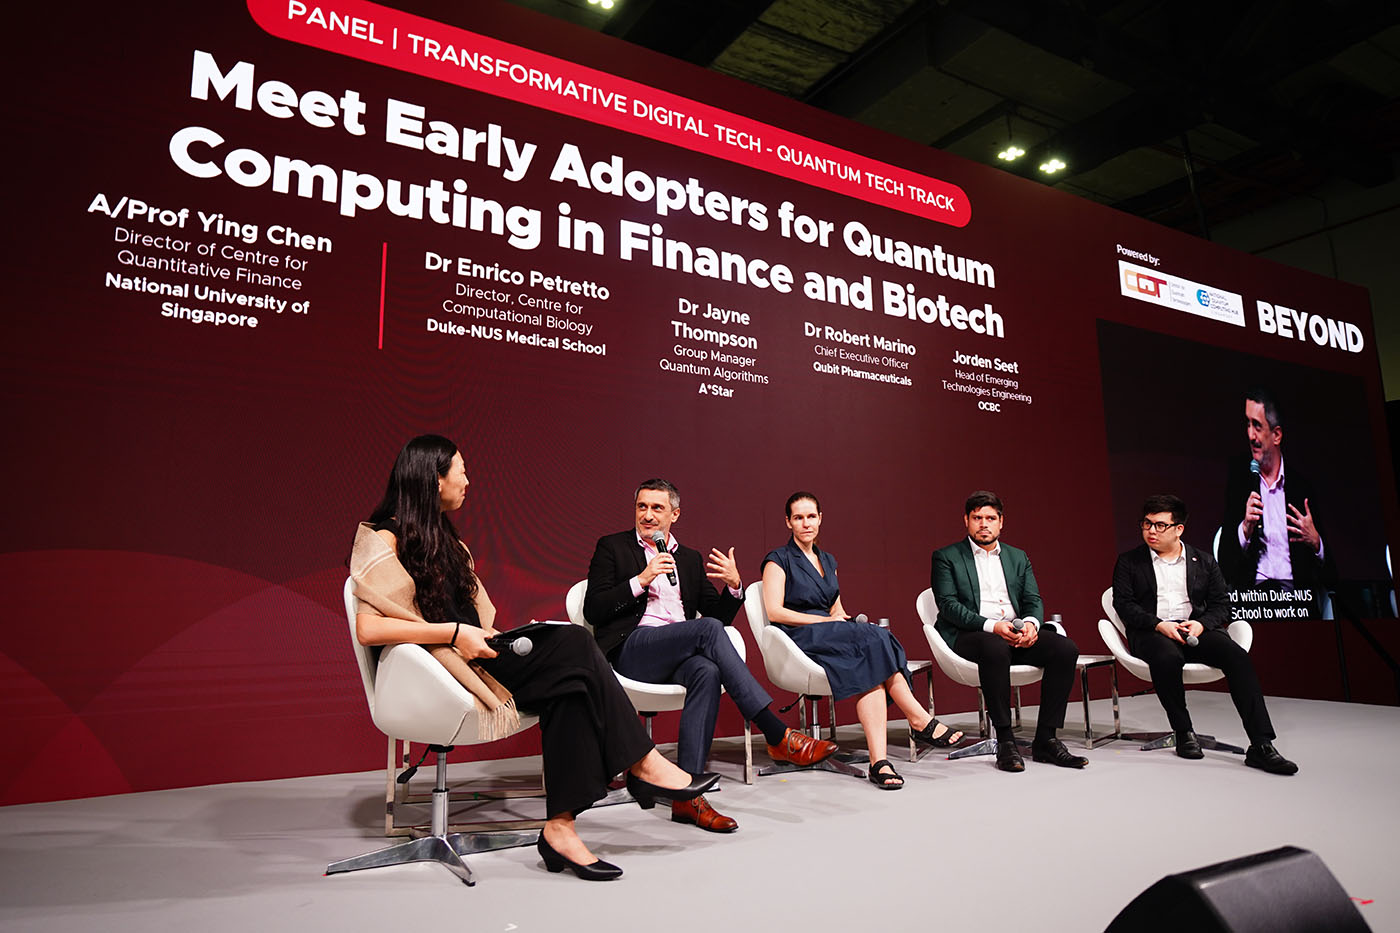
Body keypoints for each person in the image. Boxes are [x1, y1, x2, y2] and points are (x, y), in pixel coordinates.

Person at [350, 436, 720, 881]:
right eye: (461, 471)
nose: (468, 480)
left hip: (478, 650)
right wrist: (452, 633)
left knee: (571, 684)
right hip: (444, 667)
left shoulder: (444, 540)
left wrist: (475, 634)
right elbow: (368, 628)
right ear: (434, 478)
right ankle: (642, 762)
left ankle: (560, 830)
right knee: (580, 646)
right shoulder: (384, 537)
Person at [585, 478, 838, 833]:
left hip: (677, 651)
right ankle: (776, 733)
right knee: (704, 634)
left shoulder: (687, 559)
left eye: (657, 508)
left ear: (675, 514)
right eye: (642, 506)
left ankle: (687, 799)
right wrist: (641, 579)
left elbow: (716, 620)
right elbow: (594, 609)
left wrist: (734, 587)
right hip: (633, 648)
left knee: (706, 669)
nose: (647, 514)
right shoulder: (613, 548)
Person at [761, 492, 963, 790]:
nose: (806, 523)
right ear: (788, 522)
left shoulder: (828, 560)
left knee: (875, 655)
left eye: (811, 516)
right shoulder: (778, 559)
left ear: (820, 519)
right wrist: (828, 622)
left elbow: (836, 607)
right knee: (878, 638)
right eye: (799, 518)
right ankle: (919, 719)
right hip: (799, 638)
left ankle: (879, 762)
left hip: (829, 633)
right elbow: (775, 611)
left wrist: (844, 621)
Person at [1111, 494, 1298, 774]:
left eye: (1160, 525)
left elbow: (1222, 604)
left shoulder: (1204, 561)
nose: (1151, 531)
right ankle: (1184, 731)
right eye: (1146, 524)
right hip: (1153, 631)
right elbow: (1124, 604)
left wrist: (1201, 624)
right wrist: (1158, 624)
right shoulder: (1129, 562)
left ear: (1178, 529)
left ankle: (1261, 744)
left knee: (1237, 657)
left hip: (1195, 628)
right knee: (1167, 657)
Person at [930, 490, 1088, 772]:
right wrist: (993, 626)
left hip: (1014, 632)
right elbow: (948, 606)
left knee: (1066, 649)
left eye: (990, 518)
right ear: (966, 520)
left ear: (1001, 522)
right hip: (971, 634)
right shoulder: (947, 557)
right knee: (994, 646)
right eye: (977, 517)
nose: (983, 524)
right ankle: (1005, 741)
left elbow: (1033, 600)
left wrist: (1031, 624)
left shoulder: (1018, 557)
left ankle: (1047, 740)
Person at [1218, 388, 1330, 610]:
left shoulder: (1301, 488)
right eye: (1247, 424)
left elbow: (1332, 573)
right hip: (1254, 601)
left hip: (1297, 601)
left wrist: (1316, 542)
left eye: (1257, 426)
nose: (1250, 435)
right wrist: (1245, 529)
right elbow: (1224, 567)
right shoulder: (1240, 484)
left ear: (1277, 435)